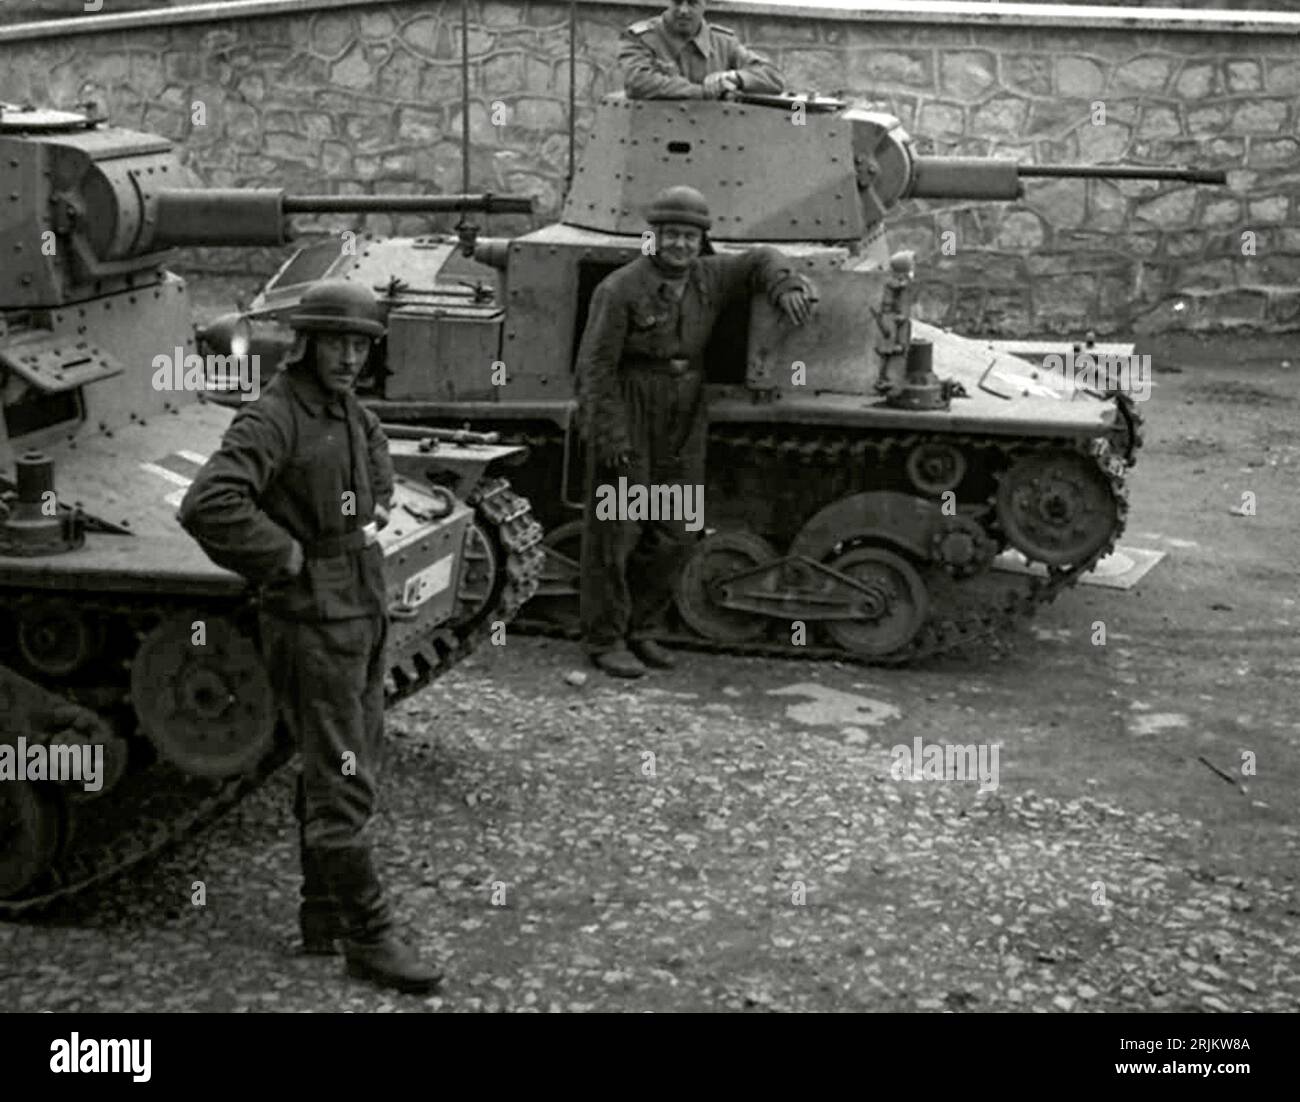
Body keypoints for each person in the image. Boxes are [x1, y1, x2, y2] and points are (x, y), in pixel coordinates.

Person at [177, 280, 442, 995]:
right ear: (307, 343)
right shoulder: (275, 418)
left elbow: (378, 483)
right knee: (344, 781)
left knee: (346, 766)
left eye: (361, 346)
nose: (351, 357)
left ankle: (322, 914)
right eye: (338, 343)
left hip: (357, 607)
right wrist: (286, 556)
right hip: (312, 621)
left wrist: (370, 501)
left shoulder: (346, 411)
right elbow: (210, 503)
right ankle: (369, 934)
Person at [576, 185, 816, 679]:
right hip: (633, 406)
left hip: (684, 413)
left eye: (689, 235)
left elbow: (760, 258)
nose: (680, 245)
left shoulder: (710, 275)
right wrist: (612, 436)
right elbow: (595, 369)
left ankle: (645, 629)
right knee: (618, 532)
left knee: (676, 531)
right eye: (670, 235)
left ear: (701, 240)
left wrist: (785, 284)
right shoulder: (620, 289)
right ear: (654, 237)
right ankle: (605, 639)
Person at [619, 0, 785, 100]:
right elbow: (637, 83)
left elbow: (773, 77)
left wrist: (736, 78)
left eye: (692, 3)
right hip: (655, 137)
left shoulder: (724, 43)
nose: (683, 10)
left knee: (799, 111)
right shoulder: (642, 38)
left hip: (714, 140)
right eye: (678, 2)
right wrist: (702, 92)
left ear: (704, 4)